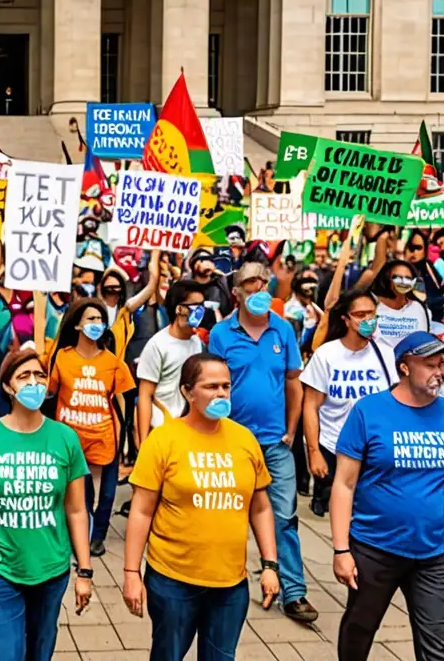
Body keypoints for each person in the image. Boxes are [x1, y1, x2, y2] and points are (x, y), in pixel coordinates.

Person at [331, 331, 444, 660]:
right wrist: (341, 549)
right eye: (430, 364)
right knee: (360, 629)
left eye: (443, 364)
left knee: (437, 641)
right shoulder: (368, 411)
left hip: (435, 552)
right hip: (374, 548)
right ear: (404, 367)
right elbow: (344, 485)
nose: (441, 371)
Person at [122, 353, 280, 658]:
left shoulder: (244, 440)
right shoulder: (164, 439)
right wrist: (131, 573)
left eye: (226, 386)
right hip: (173, 582)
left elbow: (260, 508)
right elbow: (141, 510)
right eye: (211, 386)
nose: (221, 393)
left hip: (231, 584)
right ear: (187, 391)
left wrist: (270, 565)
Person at [0, 349, 92, 661]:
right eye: (24, 376)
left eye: (40, 375)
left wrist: (85, 570)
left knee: (39, 653)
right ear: (7, 387)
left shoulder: (65, 438)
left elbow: (77, 510)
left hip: (50, 570)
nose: (34, 383)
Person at [208, 262, 317, 623]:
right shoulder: (221, 334)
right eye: (249, 284)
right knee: (228, 516)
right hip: (232, 442)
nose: (258, 289)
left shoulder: (283, 330)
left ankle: (293, 591)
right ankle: (224, 582)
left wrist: (291, 429)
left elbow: (293, 381)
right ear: (236, 292)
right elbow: (213, 386)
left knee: (284, 516)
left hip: (275, 442)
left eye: (263, 283)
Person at [46, 297, 134, 557]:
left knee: (107, 496)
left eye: (100, 319)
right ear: (76, 325)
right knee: (81, 496)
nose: (97, 324)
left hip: (105, 437)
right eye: (91, 319)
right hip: (71, 440)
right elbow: (49, 393)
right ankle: (80, 537)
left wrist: (127, 437)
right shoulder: (61, 357)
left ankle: (99, 536)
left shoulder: (113, 362)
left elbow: (125, 398)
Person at [301, 289, 397, 517]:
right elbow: (311, 406)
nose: (367, 320)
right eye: (360, 315)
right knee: (337, 504)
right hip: (334, 443)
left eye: (372, 314)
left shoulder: (385, 354)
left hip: (373, 445)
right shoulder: (326, 355)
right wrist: (314, 452)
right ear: (345, 319)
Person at [135, 280, 206, 446]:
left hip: (189, 431)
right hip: (161, 430)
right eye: (195, 305)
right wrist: (144, 442)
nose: (200, 310)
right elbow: (145, 394)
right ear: (179, 309)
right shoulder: (157, 345)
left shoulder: (197, 343)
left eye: (202, 305)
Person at [369, 260, 431, 348]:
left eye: (408, 278)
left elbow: (423, 343)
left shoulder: (419, 308)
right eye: (397, 277)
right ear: (387, 278)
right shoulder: (372, 305)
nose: (403, 282)